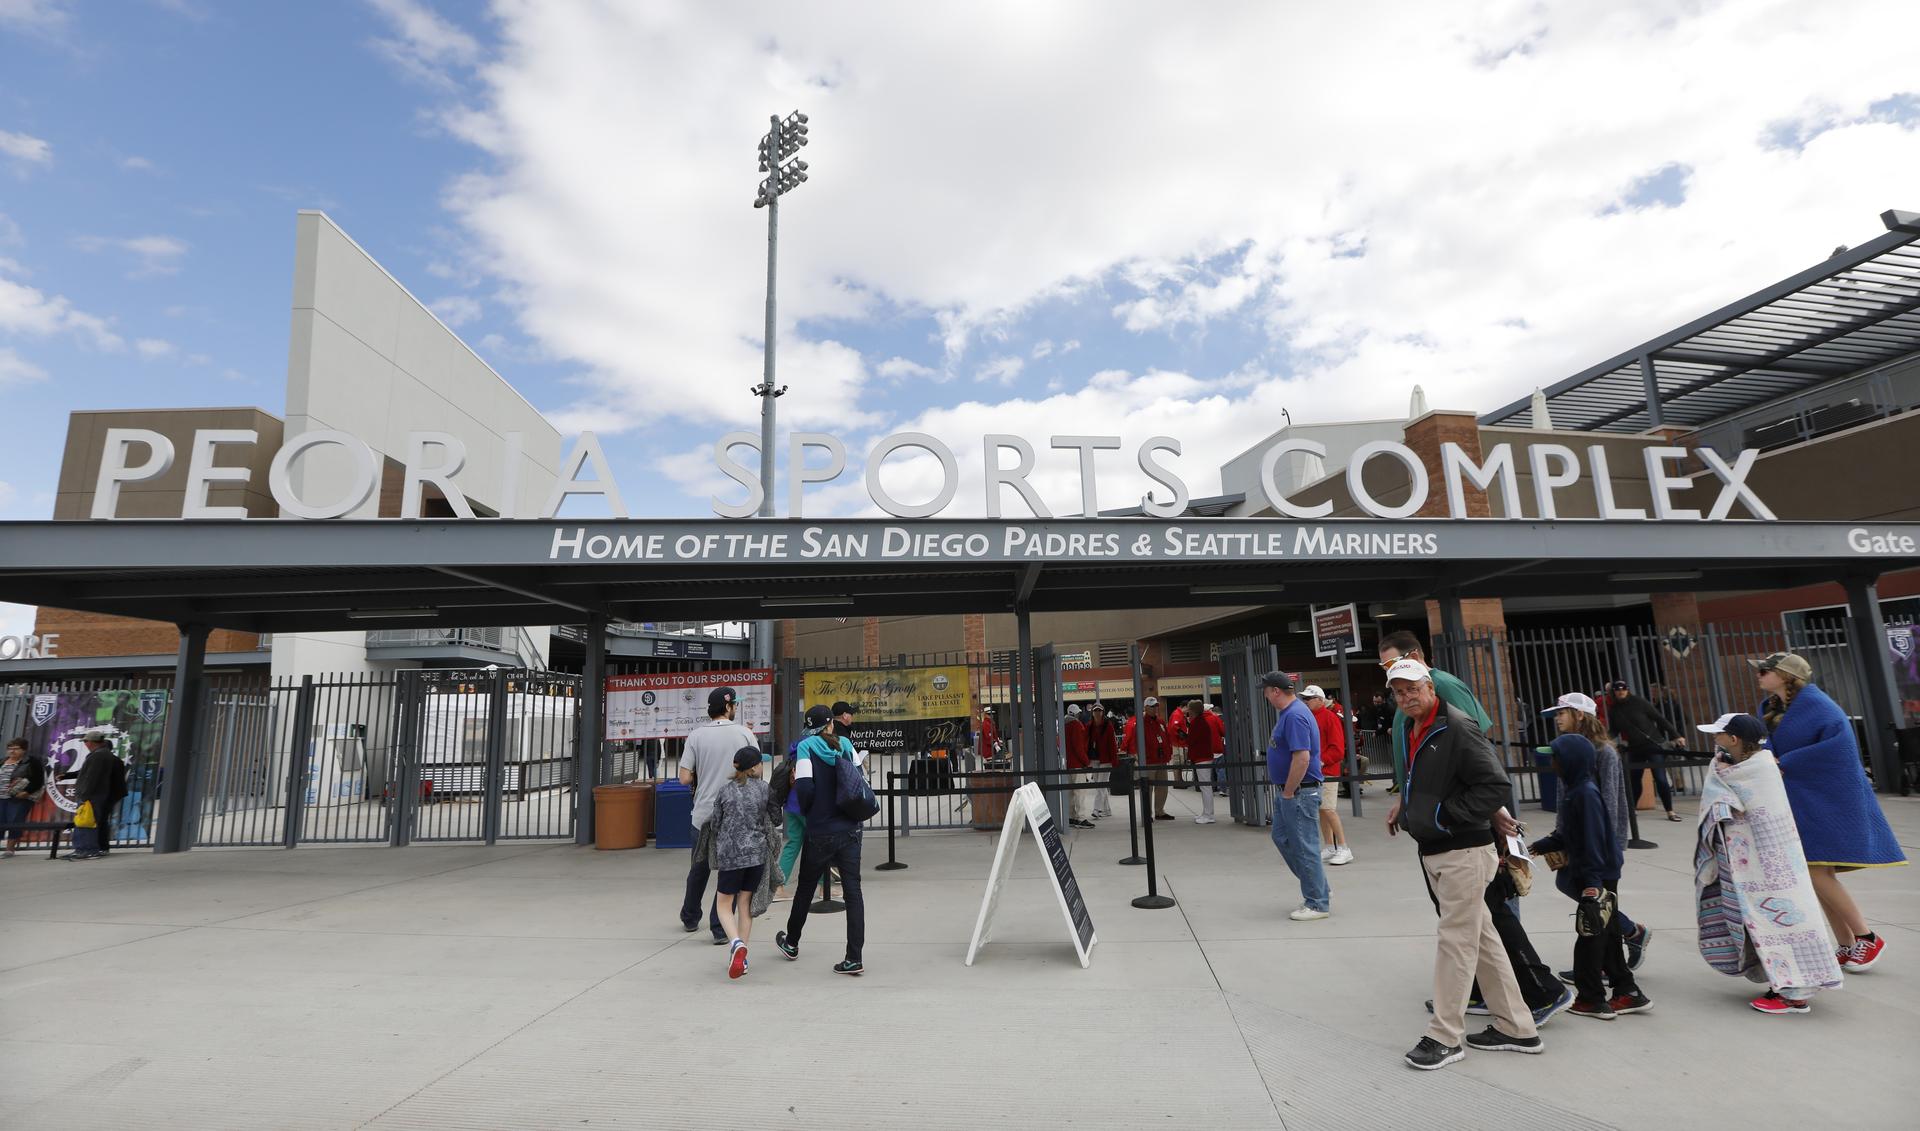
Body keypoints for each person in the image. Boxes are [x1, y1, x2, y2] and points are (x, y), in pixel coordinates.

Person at [1383, 633, 1567, 1026]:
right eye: (1393, 684)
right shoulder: (1409, 715)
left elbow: (1479, 757)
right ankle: (1513, 1006)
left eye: (1408, 684)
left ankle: (1458, 1025)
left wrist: (1482, 812)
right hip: (1437, 835)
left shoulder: (1446, 693)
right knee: (1478, 923)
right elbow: (1420, 764)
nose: (1402, 693)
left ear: (1421, 670)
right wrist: (1407, 798)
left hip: (1464, 835)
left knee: (1482, 919)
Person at [1752, 651, 1906, 971]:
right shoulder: (1773, 708)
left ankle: (1868, 938)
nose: (1759, 674)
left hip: (1827, 800)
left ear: (1785, 675)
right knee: (1816, 874)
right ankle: (1847, 944)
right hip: (1799, 799)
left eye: (1765, 670)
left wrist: (1786, 762)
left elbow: (1839, 749)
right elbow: (1769, 745)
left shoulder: (1819, 706)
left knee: (1815, 871)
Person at [1693, 712, 1842, 1015]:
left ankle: (1793, 993)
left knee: (1784, 923)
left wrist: (1721, 783)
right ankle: (1787, 984)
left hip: (1773, 865)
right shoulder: (1740, 765)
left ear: (1734, 739)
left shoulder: (1758, 770)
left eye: (1719, 734)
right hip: (1757, 864)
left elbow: (1748, 809)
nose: (1714, 738)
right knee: (1762, 922)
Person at [1528, 733, 1648, 1020]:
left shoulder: (1585, 794)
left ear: (1570, 761)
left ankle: (1591, 998)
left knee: (1590, 938)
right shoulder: (1576, 791)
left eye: (1555, 757)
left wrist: (1592, 885)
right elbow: (1568, 833)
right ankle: (1627, 991)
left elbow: (1593, 840)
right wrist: (1537, 847)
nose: (1552, 762)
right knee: (1605, 937)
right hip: (1596, 871)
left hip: (1597, 874)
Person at [1542, 692, 1651, 982]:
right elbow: (1564, 797)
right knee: (1570, 885)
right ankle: (1629, 932)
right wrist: (1560, 834)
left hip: (1597, 843)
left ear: (1580, 714)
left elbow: (1611, 802)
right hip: (1576, 837)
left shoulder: (1604, 752)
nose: (1557, 718)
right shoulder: (1567, 749)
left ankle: (1609, 960)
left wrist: (1609, 844)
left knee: (1596, 901)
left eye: (1562, 712)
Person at [777, 704, 868, 976]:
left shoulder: (807, 747)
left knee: (805, 887)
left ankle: (791, 942)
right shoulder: (846, 745)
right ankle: (854, 957)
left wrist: (811, 811)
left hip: (820, 829)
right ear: (831, 724)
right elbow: (859, 780)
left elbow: (804, 786)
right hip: (850, 828)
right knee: (854, 891)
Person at [679, 688, 758, 943]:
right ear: (727, 708)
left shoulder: (696, 736)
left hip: (703, 813)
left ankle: (690, 917)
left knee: (699, 868)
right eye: (734, 704)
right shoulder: (745, 733)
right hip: (736, 816)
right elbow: (757, 773)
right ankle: (720, 928)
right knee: (729, 871)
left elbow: (684, 777)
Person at [1261, 672, 1331, 921]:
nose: (1266, 695)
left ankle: (1317, 902)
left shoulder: (1295, 715)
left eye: (1266, 690)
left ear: (1275, 691)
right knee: (1282, 837)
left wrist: (1289, 791)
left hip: (1299, 792)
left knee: (1304, 846)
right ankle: (1318, 887)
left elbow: (1301, 757)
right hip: (1291, 792)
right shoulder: (1292, 714)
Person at [710, 745, 774, 979]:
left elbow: (716, 823)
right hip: (756, 855)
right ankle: (742, 958)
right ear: (755, 767)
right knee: (745, 904)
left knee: (724, 906)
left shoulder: (725, 791)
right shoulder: (764, 790)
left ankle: (736, 943)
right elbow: (774, 817)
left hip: (731, 855)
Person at [1606, 681, 1684, 822]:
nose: (1620, 692)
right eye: (1617, 690)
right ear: (1613, 692)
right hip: (1635, 747)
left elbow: (1659, 719)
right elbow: (1614, 730)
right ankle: (1632, 811)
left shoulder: (1639, 703)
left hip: (1653, 745)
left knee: (1660, 779)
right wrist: (1604, 740)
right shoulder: (1614, 710)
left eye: (1623, 689)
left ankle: (1670, 811)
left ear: (1628, 690)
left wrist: (1676, 735)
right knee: (1634, 780)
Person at [1302, 686, 1353, 865]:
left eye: (1309, 698)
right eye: (1305, 698)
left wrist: (1320, 762)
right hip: (1317, 771)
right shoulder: (1311, 717)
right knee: (1323, 810)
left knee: (1329, 809)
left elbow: (1338, 749)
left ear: (1320, 700)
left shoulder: (1330, 718)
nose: (1306, 701)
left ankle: (1344, 848)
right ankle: (1330, 847)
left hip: (1327, 772)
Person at [69, 731, 121, 861]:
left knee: (86, 822)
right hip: (95, 794)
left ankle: (88, 850)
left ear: (90, 742)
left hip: (91, 795)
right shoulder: (103, 754)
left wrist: (84, 794)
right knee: (85, 822)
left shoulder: (98, 756)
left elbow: (91, 777)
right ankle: (82, 849)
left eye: (86, 741)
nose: (85, 744)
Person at [1123, 697, 1173, 819]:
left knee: (1162, 787)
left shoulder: (1160, 722)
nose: (1155, 708)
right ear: (1145, 707)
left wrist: (1168, 753)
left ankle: (1159, 811)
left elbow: (1166, 737)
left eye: (1156, 705)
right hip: (1148, 761)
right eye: (1152, 706)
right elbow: (1135, 742)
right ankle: (1147, 813)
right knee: (1147, 788)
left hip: (1161, 759)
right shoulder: (1139, 723)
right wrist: (1140, 757)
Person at [3, 737, 46, 858]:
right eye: (10, 749)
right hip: (1, 797)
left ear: (24, 750)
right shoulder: (3, 761)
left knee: (15, 821)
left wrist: (27, 792)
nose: (12, 751)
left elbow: (38, 780)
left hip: (19, 797)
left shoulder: (31, 761)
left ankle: (9, 849)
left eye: (16, 749)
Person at [1184, 699, 1218, 824]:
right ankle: (1206, 813)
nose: (1188, 713)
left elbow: (1191, 740)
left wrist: (1185, 737)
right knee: (1205, 786)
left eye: (1189, 710)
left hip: (1201, 757)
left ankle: (1208, 814)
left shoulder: (1197, 723)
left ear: (1193, 711)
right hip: (1204, 756)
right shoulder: (1201, 722)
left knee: (1205, 786)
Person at [1061, 704, 1093, 829]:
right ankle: (1081, 818)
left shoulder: (1063, 725)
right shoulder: (1076, 725)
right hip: (1077, 764)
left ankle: (1071, 817)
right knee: (1080, 792)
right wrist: (1086, 761)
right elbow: (1079, 747)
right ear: (1076, 714)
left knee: (1070, 792)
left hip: (1067, 764)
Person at [1086, 702, 1119, 820]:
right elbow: (1086, 743)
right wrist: (1086, 760)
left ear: (1103, 712)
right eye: (1095, 711)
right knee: (1099, 785)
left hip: (1106, 760)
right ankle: (1107, 809)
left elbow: (1112, 744)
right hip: (1094, 759)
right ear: (1092, 713)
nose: (1097, 713)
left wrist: (1114, 760)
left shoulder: (1108, 725)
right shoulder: (1089, 726)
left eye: (1099, 711)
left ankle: (1096, 809)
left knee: (1101, 785)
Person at [1204, 703, 1227, 795]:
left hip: (1205, 749)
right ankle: (1222, 789)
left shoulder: (1199, 720)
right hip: (1217, 747)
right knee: (1220, 769)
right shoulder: (1215, 718)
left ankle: (1211, 788)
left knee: (1208, 771)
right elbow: (1223, 731)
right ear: (1209, 710)